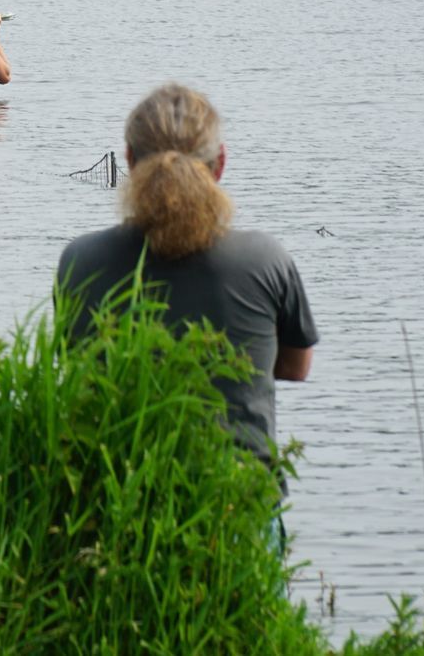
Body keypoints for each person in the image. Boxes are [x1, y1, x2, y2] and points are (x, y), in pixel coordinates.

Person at [55, 83, 317, 465]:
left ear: (129, 161)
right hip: (242, 500)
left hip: (116, 497)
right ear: (221, 163)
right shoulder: (265, 259)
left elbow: (76, 362)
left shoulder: (81, 260)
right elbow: (295, 366)